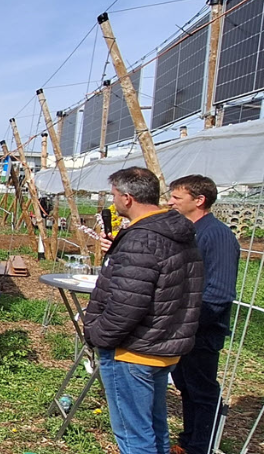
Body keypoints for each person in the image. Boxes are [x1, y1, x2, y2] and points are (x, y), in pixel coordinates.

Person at [84, 167, 204, 454]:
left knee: (134, 436)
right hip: (162, 345)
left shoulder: (142, 239)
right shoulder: (175, 233)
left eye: (114, 196)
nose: (113, 203)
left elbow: (127, 304)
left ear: (128, 198)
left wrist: (97, 334)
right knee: (155, 428)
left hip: (132, 351)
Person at [167, 175, 241, 454]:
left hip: (201, 328)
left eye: (177, 197)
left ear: (199, 201)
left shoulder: (217, 235)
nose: (170, 201)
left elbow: (219, 293)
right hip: (186, 326)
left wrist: (188, 325)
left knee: (202, 389)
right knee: (187, 386)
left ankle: (202, 446)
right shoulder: (191, 231)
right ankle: (190, 441)